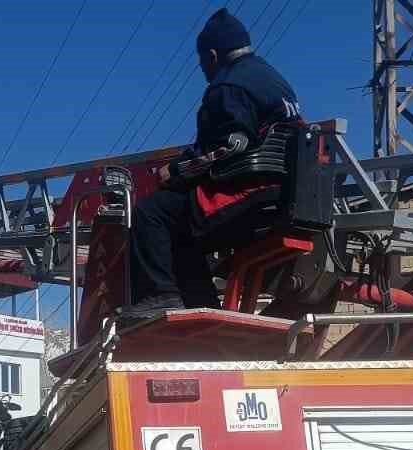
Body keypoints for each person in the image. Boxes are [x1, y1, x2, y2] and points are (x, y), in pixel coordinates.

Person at [124, 8, 301, 320]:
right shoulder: (275, 80)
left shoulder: (228, 86)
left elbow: (230, 145)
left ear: (213, 55)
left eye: (202, 62)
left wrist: (176, 170)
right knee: (182, 227)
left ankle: (160, 297)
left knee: (151, 214)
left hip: (246, 193)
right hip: (281, 192)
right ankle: (200, 304)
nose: (203, 70)